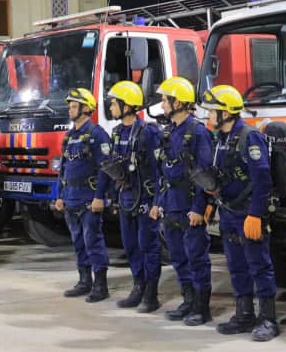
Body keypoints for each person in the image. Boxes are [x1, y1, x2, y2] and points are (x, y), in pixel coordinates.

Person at [199, 85, 280, 341]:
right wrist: (212, 202)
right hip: (229, 211)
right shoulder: (221, 139)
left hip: (248, 213)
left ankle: (268, 319)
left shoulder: (249, 137)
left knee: (259, 266)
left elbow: (262, 179)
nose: (209, 116)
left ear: (226, 113)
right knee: (236, 266)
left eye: (212, 111)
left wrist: (256, 215)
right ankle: (244, 314)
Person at [151, 76, 216, 326]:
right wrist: (158, 202)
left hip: (190, 206)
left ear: (179, 102)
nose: (162, 105)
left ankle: (201, 307)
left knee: (197, 257)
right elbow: (163, 173)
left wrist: (200, 208)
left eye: (165, 100)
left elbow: (204, 173)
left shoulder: (198, 132)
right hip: (171, 205)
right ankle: (188, 300)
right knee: (178, 257)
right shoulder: (170, 132)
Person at [103, 81, 163, 312]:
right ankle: (138, 286)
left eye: (114, 103)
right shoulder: (117, 133)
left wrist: (157, 201)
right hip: (126, 198)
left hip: (145, 200)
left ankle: (151, 293)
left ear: (127, 106)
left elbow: (159, 170)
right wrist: (111, 196)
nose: (110, 107)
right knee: (130, 246)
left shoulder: (148, 133)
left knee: (148, 246)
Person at [54, 88, 113, 302]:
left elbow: (105, 168)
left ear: (86, 108)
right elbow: (64, 168)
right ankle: (84, 281)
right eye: (70, 106)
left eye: (73, 106)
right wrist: (59, 195)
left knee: (93, 241)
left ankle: (100, 285)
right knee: (78, 242)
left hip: (89, 200)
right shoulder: (70, 136)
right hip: (70, 198)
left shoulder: (97, 135)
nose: (70, 110)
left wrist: (100, 197)